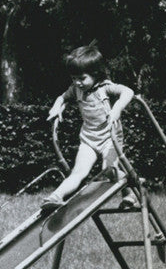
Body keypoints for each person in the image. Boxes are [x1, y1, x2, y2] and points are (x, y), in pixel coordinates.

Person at [41, 42, 137, 212]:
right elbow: (62, 97)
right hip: (88, 139)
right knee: (78, 172)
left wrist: (117, 109)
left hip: (110, 138)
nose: (77, 83)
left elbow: (128, 92)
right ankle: (55, 196)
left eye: (82, 78)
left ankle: (131, 191)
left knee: (109, 171)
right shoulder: (76, 89)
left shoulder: (105, 87)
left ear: (95, 74)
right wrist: (57, 107)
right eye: (73, 78)